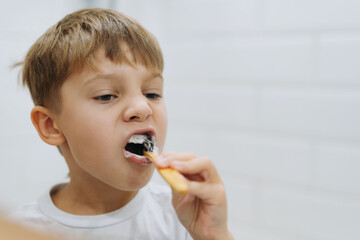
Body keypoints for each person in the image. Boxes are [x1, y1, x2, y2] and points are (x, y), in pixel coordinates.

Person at [8, 8, 234, 240]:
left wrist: (213, 235)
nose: (143, 107)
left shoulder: (181, 215)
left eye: (152, 93)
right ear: (51, 126)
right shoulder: (20, 231)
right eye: (106, 95)